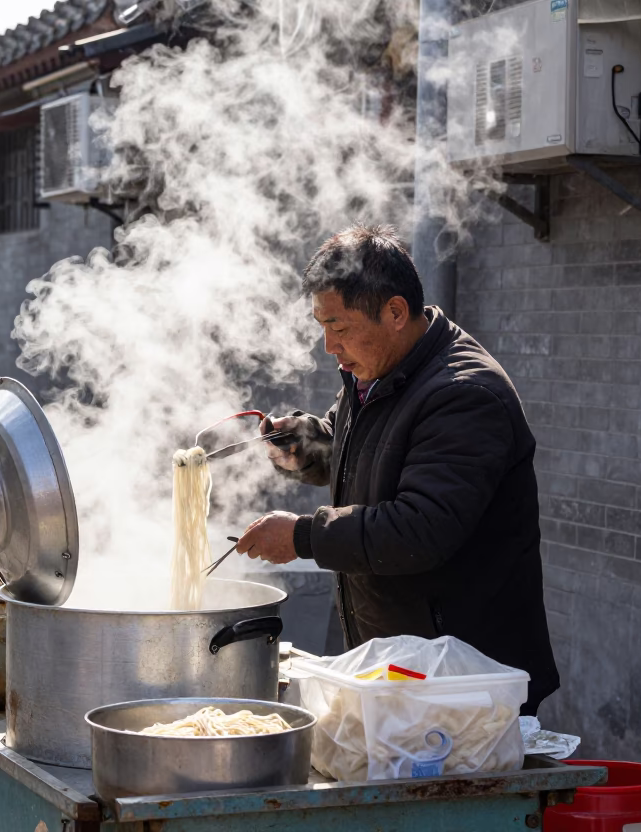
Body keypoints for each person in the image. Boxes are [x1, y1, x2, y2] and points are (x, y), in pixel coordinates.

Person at [236, 225, 559, 716]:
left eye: (339, 327)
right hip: (401, 671)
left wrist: (303, 537)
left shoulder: (464, 395)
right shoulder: (377, 373)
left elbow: (419, 528)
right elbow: (358, 449)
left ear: (394, 312)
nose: (328, 346)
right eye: (321, 325)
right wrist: (302, 443)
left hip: (465, 686)